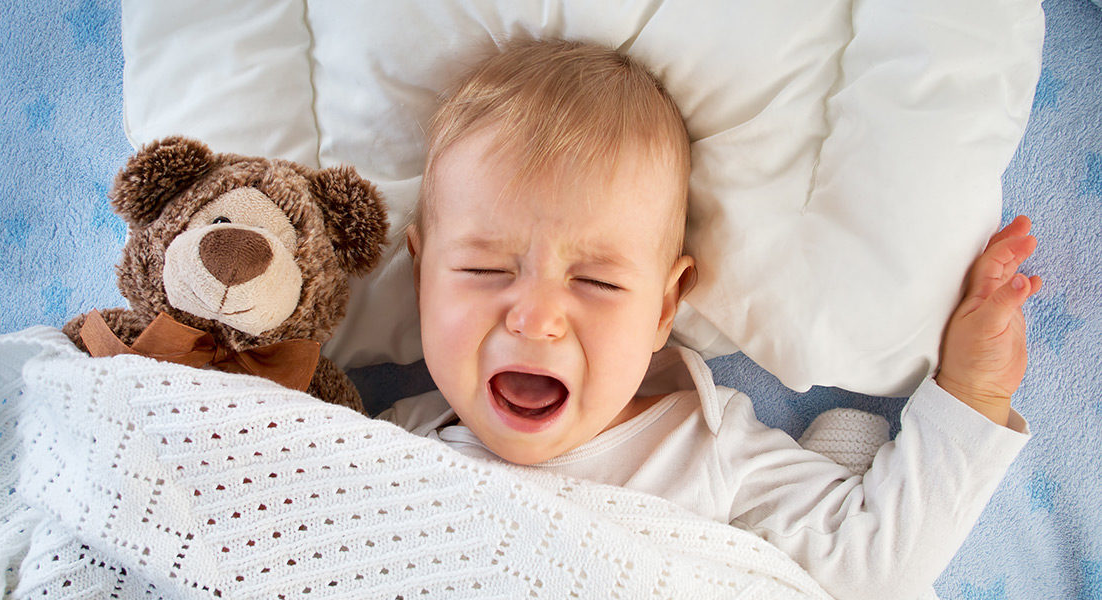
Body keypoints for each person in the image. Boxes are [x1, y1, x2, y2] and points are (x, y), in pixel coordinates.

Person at [379, 38, 1039, 599]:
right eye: (485, 271)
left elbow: (875, 565)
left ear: (665, 307)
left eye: (597, 281)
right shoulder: (378, 446)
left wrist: (975, 393)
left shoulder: (706, 448)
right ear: (421, 275)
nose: (535, 318)